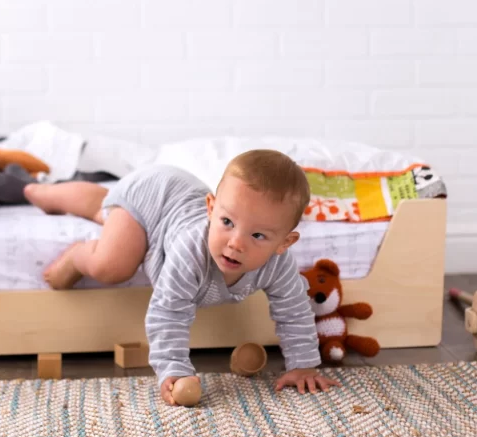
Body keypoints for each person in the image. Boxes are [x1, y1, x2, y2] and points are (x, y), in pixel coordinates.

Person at [24, 149, 341, 405]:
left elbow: (294, 310)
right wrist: (172, 369)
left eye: (258, 235)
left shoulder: (279, 264)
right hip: (152, 196)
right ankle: (74, 249)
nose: (235, 243)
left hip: (174, 197)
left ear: (284, 243)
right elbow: (168, 312)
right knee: (113, 264)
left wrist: (303, 365)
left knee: (102, 209)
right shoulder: (192, 251)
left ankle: (64, 196)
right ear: (211, 209)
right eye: (227, 221)